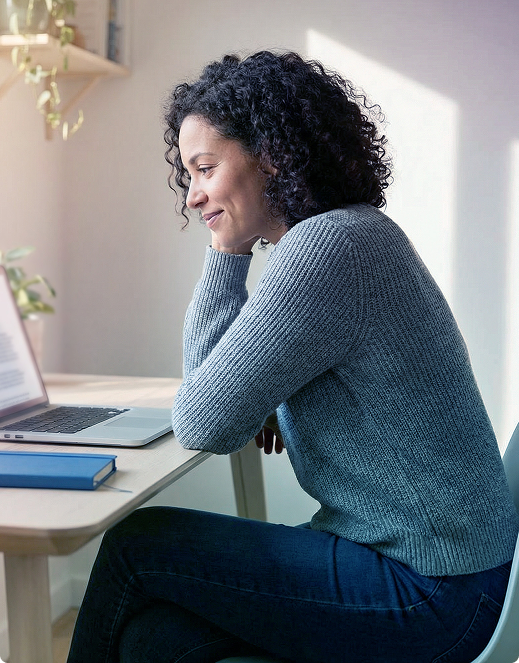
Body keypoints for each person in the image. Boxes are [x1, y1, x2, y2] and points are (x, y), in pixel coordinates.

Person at [66, 51, 519, 663]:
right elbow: (217, 400)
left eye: (205, 168)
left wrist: (225, 254)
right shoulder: (347, 235)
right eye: (188, 175)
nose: (194, 196)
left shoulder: (325, 248)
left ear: (272, 154)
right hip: (436, 568)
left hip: (433, 590)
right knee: (155, 641)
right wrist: (266, 395)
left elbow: (202, 420)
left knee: (134, 545)